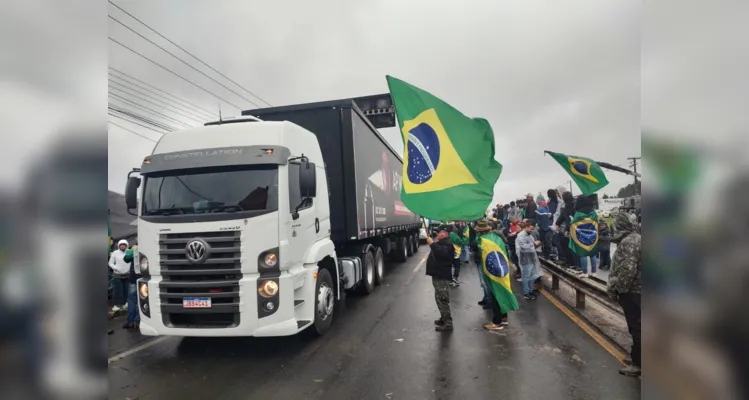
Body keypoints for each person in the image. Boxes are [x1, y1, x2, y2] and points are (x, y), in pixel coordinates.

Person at [607, 213, 641, 377]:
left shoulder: (629, 242)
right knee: (637, 327)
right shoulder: (636, 238)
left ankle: (638, 364)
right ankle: (636, 357)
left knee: (637, 328)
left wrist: (619, 289)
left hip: (633, 292)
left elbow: (628, 269)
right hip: (637, 291)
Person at [475, 219, 519, 330]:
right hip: (502, 268)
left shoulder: (482, 241)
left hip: (493, 272)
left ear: (479, 231)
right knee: (502, 291)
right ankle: (504, 317)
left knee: (495, 294)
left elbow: (474, 247)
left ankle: (497, 322)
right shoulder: (497, 238)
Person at [426, 226, 455, 331]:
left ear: (446, 233)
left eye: (439, 233)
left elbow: (440, 253)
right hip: (438, 275)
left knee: (443, 299)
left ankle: (448, 323)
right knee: (438, 298)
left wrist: (431, 244)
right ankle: (443, 317)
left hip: (442, 276)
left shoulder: (448, 244)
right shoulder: (443, 242)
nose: (437, 234)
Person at [516, 221, 542, 300]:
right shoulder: (521, 236)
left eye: (533, 229)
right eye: (531, 229)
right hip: (525, 259)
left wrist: (536, 243)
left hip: (532, 257)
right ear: (526, 227)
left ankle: (530, 290)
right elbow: (523, 247)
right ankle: (526, 293)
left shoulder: (529, 235)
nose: (532, 231)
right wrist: (534, 244)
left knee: (533, 275)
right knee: (526, 276)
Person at [122, 244, 142, 329]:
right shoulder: (150, 246)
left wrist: (131, 250)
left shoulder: (134, 247)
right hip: (144, 279)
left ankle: (131, 322)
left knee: (132, 301)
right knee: (142, 300)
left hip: (133, 279)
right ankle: (138, 320)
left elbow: (126, 259)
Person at [108, 239, 131, 313]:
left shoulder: (129, 252)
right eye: (121, 245)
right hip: (117, 275)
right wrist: (116, 268)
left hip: (127, 275)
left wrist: (129, 269)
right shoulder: (115, 253)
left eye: (124, 244)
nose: (122, 246)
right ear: (118, 246)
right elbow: (110, 263)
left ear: (126, 245)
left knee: (126, 290)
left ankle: (126, 303)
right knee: (116, 290)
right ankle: (115, 305)